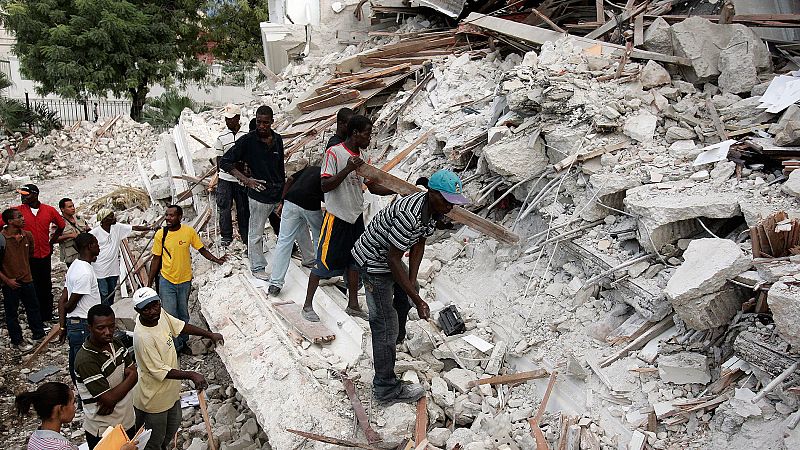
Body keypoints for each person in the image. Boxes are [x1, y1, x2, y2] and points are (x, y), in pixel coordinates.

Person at [351, 169, 470, 404]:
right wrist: (418, 299)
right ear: (433, 193)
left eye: (453, 203)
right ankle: (385, 389)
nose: (450, 207)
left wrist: (412, 285)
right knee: (384, 323)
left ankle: (395, 340)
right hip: (373, 261)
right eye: (447, 201)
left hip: (388, 258)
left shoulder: (432, 211)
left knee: (405, 297)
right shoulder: (409, 215)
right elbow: (392, 259)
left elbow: (418, 245)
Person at [302, 114, 393, 322]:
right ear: (355, 133)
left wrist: (398, 190)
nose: (369, 138)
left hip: (355, 217)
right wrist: (348, 168)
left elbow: (372, 186)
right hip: (337, 217)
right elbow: (325, 185)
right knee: (322, 263)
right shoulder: (334, 153)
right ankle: (307, 305)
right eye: (367, 134)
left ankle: (353, 304)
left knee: (354, 262)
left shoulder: (364, 156)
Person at [131, 287, 223, 450]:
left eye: (155, 305)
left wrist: (209, 334)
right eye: (146, 309)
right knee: (153, 442)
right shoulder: (143, 337)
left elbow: (180, 327)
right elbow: (160, 371)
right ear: (138, 310)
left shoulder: (160, 315)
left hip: (171, 392)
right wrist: (191, 375)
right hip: (154, 399)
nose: (153, 311)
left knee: (170, 431)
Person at [146, 205, 226, 353]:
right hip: (167, 281)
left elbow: (201, 249)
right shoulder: (161, 235)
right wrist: (149, 284)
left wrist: (217, 260)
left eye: (172, 215)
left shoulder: (188, 232)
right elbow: (156, 259)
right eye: (166, 215)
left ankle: (183, 342)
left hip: (184, 281)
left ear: (180, 217)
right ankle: (176, 347)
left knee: (183, 314)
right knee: (170, 315)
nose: (168, 218)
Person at [220, 105, 285, 281]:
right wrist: (246, 180)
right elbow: (225, 162)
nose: (262, 126)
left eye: (265, 122)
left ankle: (300, 258)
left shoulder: (277, 139)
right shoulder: (248, 140)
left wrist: (283, 194)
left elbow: (280, 167)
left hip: (276, 192)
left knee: (286, 229)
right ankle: (257, 267)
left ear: (272, 122)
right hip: (258, 194)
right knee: (255, 233)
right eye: (259, 122)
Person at [0, 184, 65, 322]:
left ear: (35, 195)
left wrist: (51, 242)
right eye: (21, 194)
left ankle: (46, 314)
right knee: (31, 286)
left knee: (46, 284)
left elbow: (61, 225)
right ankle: (35, 317)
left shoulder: (49, 210)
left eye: (26, 194)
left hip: (45, 254)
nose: (22, 197)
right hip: (27, 256)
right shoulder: (17, 211)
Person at [75, 304, 137, 449]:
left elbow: (133, 373)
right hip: (104, 430)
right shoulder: (86, 360)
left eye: (111, 326)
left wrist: (114, 397)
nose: (108, 332)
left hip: (127, 421)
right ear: (89, 327)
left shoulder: (116, 343)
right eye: (101, 328)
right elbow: (108, 399)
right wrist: (131, 377)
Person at [16, 381, 139, 450]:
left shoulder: (34, 439)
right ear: (60, 409)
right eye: (72, 402)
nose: (75, 407)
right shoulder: (63, 447)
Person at [266, 165, 323, 296]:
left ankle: (275, 284)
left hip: (290, 201)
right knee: (320, 238)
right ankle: (320, 272)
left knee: (284, 241)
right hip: (310, 205)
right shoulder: (330, 174)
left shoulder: (311, 168)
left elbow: (290, 179)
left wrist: (282, 201)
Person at [0, 208, 46, 351]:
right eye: (19, 217)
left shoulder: (27, 235)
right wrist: (7, 280)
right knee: (11, 313)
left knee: (33, 307)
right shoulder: (2, 239)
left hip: (27, 279)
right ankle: (17, 340)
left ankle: (39, 334)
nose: (23, 218)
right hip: (10, 283)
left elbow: (30, 255)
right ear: (10, 221)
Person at [59, 232, 102, 384]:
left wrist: (63, 326)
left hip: (76, 324)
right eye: (96, 243)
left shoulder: (75, 265)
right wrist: (67, 313)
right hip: (82, 323)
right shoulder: (85, 273)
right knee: (84, 364)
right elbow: (69, 304)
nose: (99, 246)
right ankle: (83, 393)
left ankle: (80, 390)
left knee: (76, 361)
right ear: (89, 246)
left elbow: (62, 299)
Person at [90, 209, 152, 306]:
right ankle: (104, 311)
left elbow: (134, 227)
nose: (114, 218)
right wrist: (91, 257)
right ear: (104, 220)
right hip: (99, 269)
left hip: (113, 268)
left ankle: (110, 309)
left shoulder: (117, 227)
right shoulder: (95, 233)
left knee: (112, 291)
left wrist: (151, 228)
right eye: (111, 216)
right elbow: (82, 243)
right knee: (103, 293)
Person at [214, 104, 250, 247]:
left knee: (243, 208)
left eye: (231, 118)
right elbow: (219, 159)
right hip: (225, 178)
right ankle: (226, 236)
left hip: (242, 179)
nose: (228, 121)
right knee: (224, 207)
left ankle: (245, 236)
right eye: (226, 119)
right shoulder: (221, 137)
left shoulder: (246, 134)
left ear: (238, 118)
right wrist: (221, 174)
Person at [56, 198, 90, 268]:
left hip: (85, 254)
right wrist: (70, 236)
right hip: (72, 257)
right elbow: (54, 239)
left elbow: (88, 230)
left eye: (73, 206)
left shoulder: (79, 218)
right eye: (69, 207)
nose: (73, 208)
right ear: (62, 209)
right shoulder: (58, 222)